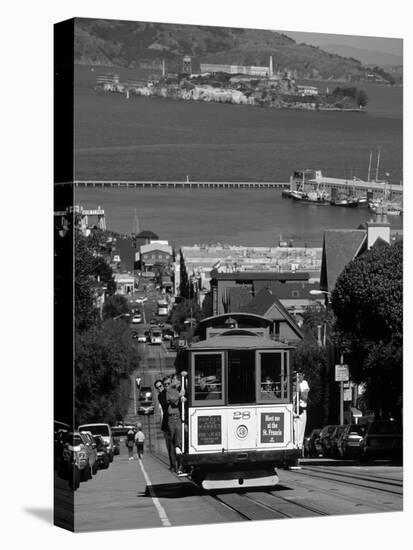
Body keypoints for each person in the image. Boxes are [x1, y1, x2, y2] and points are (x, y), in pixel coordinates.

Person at [166, 372, 186, 475]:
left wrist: (183, 396)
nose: (171, 382)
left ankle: (182, 465)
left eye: (173, 380)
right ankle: (176, 465)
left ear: (178, 380)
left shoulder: (183, 388)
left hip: (180, 418)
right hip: (172, 419)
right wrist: (179, 395)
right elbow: (172, 401)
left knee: (180, 442)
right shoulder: (169, 390)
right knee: (174, 442)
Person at [154, 378, 174, 470]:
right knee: (169, 445)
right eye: (157, 387)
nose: (159, 388)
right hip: (166, 422)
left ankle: (174, 464)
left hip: (171, 420)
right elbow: (166, 404)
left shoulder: (168, 392)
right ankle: (172, 464)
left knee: (173, 444)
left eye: (160, 386)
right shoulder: (161, 395)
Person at [293, 372, 310, 454]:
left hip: (301, 409)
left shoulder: (304, 383)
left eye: (302, 374)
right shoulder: (291, 383)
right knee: (293, 431)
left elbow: (305, 397)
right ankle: (294, 447)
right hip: (293, 410)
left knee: (300, 432)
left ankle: (299, 449)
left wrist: (298, 388)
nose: (300, 376)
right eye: (299, 374)